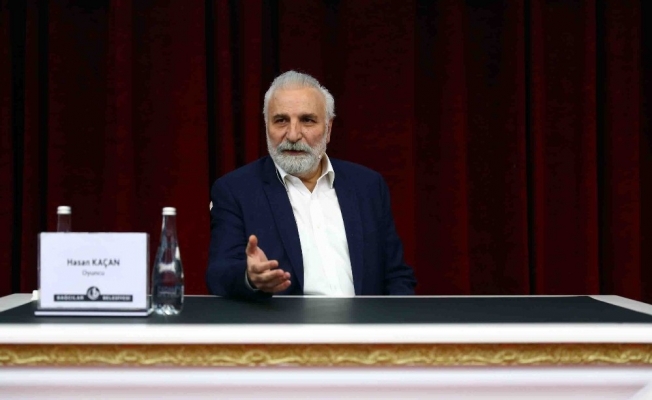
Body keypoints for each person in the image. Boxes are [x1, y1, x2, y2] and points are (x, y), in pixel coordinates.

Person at [206, 70, 416, 299]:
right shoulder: (236, 190)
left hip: (365, 322)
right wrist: (250, 277)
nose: (293, 135)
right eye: (281, 120)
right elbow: (219, 274)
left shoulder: (367, 186)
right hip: (286, 323)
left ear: (328, 129)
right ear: (266, 126)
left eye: (307, 120)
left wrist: (397, 319)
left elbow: (396, 275)